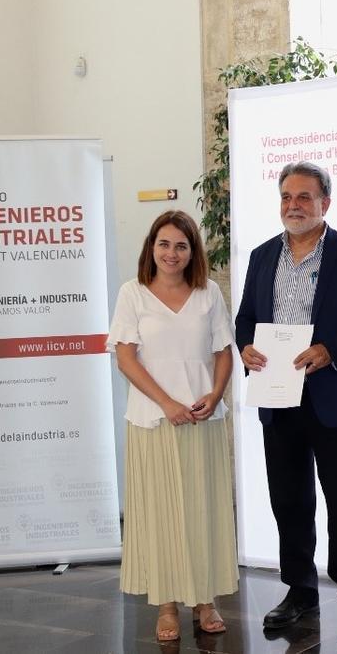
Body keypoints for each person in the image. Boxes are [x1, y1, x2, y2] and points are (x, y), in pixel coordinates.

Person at [235, 162, 337, 638]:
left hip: (336, 400)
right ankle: (299, 591)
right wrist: (246, 348)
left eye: (304, 196)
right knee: (290, 501)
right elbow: (244, 319)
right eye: (286, 196)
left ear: (326, 202)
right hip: (278, 397)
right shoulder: (263, 256)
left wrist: (332, 350)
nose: (293, 205)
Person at [107, 209, 238, 642]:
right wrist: (166, 403)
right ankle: (166, 605)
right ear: (151, 247)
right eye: (163, 244)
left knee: (204, 510)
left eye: (181, 245)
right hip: (152, 421)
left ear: (192, 252)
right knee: (161, 513)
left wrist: (214, 395)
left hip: (202, 420)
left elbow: (223, 352)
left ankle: (205, 601)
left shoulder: (209, 294)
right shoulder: (133, 294)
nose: (171, 253)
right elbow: (125, 357)